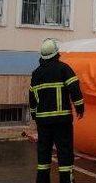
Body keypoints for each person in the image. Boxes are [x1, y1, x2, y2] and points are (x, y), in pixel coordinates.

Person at [29, 38, 84, 183]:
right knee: (64, 153)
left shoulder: (36, 73)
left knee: (43, 154)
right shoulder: (64, 69)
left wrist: (34, 114)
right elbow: (75, 89)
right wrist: (80, 107)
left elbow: (32, 98)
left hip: (43, 122)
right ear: (56, 53)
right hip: (62, 121)